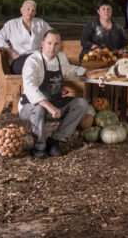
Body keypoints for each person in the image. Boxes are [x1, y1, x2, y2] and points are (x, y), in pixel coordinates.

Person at [19, 30, 88, 159]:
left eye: (56, 44)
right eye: (49, 43)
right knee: (39, 108)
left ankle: (56, 140)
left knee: (81, 104)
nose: (52, 47)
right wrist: (49, 107)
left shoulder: (60, 57)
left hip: (55, 103)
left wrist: (85, 72)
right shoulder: (33, 61)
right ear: (42, 44)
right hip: (30, 106)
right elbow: (30, 89)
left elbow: (68, 70)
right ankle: (39, 146)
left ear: (59, 46)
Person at [0, 0, 52, 74]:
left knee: (44, 65)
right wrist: (10, 52)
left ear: (35, 13)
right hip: (19, 60)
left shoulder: (41, 23)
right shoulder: (11, 24)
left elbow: (53, 35)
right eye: (28, 9)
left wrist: (47, 47)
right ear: (21, 10)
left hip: (38, 58)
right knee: (38, 67)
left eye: (33, 10)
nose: (30, 12)